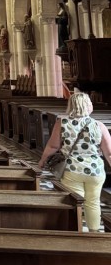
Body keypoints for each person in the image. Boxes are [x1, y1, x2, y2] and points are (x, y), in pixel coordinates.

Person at [38, 91, 111, 231]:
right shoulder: (99, 126)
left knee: (73, 203)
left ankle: (75, 232)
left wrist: (42, 161)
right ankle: (94, 233)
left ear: (71, 105)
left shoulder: (62, 123)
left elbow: (53, 146)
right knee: (93, 202)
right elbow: (109, 153)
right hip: (95, 171)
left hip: (72, 170)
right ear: (88, 106)